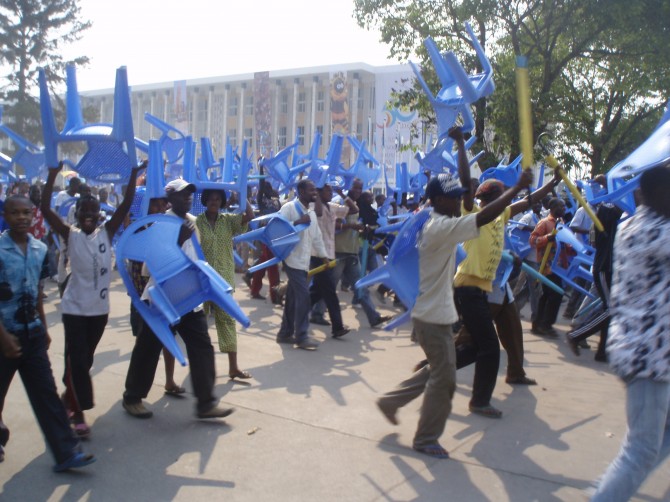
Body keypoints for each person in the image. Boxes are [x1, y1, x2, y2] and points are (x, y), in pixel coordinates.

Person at [376, 129, 534, 459]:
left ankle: (391, 401)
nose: (461, 199)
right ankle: (425, 438)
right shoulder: (440, 227)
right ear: (437, 201)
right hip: (432, 317)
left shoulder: (442, 218)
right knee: (445, 380)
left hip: (439, 313)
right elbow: (483, 212)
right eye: (454, 197)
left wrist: (462, 144)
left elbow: (467, 185)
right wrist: (518, 188)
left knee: (440, 372)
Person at [453, 130, 560, 418]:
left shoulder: (500, 214)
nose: (507, 200)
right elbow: (465, 181)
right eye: (503, 194)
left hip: (493, 284)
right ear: (492, 197)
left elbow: (526, 202)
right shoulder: (471, 213)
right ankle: (439, 369)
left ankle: (514, 372)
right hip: (471, 286)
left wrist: (552, 183)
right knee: (476, 343)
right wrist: (461, 144)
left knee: (508, 330)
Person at [41, 162, 142, 438]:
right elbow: (46, 210)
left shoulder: (106, 234)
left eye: (93, 211)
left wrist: (132, 174)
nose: (89, 215)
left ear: (99, 215)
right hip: (74, 309)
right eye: (84, 211)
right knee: (77, 361)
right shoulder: (70, 236)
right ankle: (79, 412)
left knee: (84, 361)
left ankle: (67, 398)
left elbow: (127, 203)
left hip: (99, 312)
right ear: (77, 214)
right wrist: (52, 175)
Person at [122, 179, 234, 420]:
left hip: (190, 297)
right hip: (163, 298)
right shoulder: (159, 224)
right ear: (169, 199)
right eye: (182, 195)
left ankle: (205, 403)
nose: (187, 199)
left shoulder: (193, 223)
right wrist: (176, 240)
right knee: (148, 347)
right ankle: (132, 397)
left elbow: (196, 257)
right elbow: (149, 266)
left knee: (202, 346)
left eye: (190, 195)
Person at [591, 165, 670, 501]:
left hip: (642, 352)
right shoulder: (656, 232)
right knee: (640, 451)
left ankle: (612, 488)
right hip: (649, 357)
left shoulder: (632, 225)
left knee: (651, 445)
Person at [0, 195, 95, 471]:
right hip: (4, 336)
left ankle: (67, 453)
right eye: (15, 213)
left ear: (33, 216)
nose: (21, 218)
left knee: (48, 396)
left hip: (32, 336)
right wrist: (3, 337)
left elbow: (38, 292)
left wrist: (43, 327)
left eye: (26, 213)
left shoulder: (40, 249)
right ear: (5, 215)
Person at [315, 178, 391, 329]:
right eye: (355, 188)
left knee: (360, 286)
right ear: (349, 187)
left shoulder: (354, 204)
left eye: (360, 188)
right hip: (339, 251)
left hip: (352, 250)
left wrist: (362, 228)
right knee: (329, 286)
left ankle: (373, 317)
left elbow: (355, 216)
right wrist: (350, 225)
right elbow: (331, 223)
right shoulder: (338, 202)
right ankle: (317, 313)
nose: (358, 191)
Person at [127, 196, 184, 395]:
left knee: (168, 339)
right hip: (144, 299)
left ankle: (169, 380)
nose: (161, 208)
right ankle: (134, 392)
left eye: (163, 204)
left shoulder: (166, 228)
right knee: (144, 346)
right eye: (156, 204)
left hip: (165, 296)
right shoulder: (139, 229)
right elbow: (136, 269)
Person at [196, 188, 254, 379]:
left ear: (222, 202)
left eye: (218, 199)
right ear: (205, 201)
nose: (214, 202)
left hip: (223, 280)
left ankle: (233, 367)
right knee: (198, 324)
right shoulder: (196, 223)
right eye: (211, 199)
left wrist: (241, 195)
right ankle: (201, 368)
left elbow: (250, 215)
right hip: (200, 281)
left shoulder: (228, 220)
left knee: (227, 321)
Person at [276, 179, 329, 350]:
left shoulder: (312, 214)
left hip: (304, 262)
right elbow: (277, 231)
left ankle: (284, 333)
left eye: (315, 190)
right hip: (292, 260)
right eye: (311, 190)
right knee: (304, 297)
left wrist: (324, 256)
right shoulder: (289, 208)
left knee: (292, 298)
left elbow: (317, 238)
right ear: (301, 191)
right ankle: (302, 336)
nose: (315, 193)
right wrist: (297, 222)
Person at [308, 183, 355, 338]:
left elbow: (354, 210)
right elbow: (319, 213)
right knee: (329, 292)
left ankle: (296, 312)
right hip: (317, 254)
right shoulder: (313, 205)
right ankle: (337, 327)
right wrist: (317, 193)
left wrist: (342, 194)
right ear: (319, 192)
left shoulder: (332, 206)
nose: (331, 192)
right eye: (328, 190)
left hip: (328, 254)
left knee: (317, 292)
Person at [529, 197, 567, 337]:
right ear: (553, 208)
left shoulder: (561, 223)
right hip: (547, 265)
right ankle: (545, 325)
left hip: (559, 266)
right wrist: (547, 238)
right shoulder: (544, 223)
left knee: (547, 295)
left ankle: (539, 324)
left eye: (564, 207)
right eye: (561, 206)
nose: (564, 209)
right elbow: (532, 240)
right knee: (555, 294)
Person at [248, 171, 281, 303]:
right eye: (266, 188)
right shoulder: (261, 200)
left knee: (263, 262)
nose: (269, 189)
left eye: (270, 187)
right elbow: (261, 187)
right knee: (272, 264)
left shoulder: (276, 200)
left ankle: (255, 290)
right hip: (266, 233)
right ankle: (275, 295)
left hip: (276, 232)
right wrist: (261, 168)